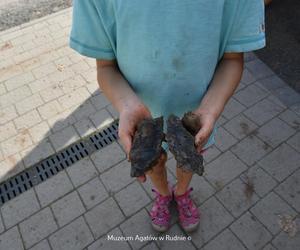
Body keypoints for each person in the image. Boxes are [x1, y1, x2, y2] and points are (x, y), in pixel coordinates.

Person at [69, 0, 265, 232]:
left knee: (188, 157)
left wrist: (210, 110)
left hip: (197, 116)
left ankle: (181, 193)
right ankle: (163, 195)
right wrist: (127, 106)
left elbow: (233, 59)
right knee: (153, 162)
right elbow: (105, 67)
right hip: (141, 117)